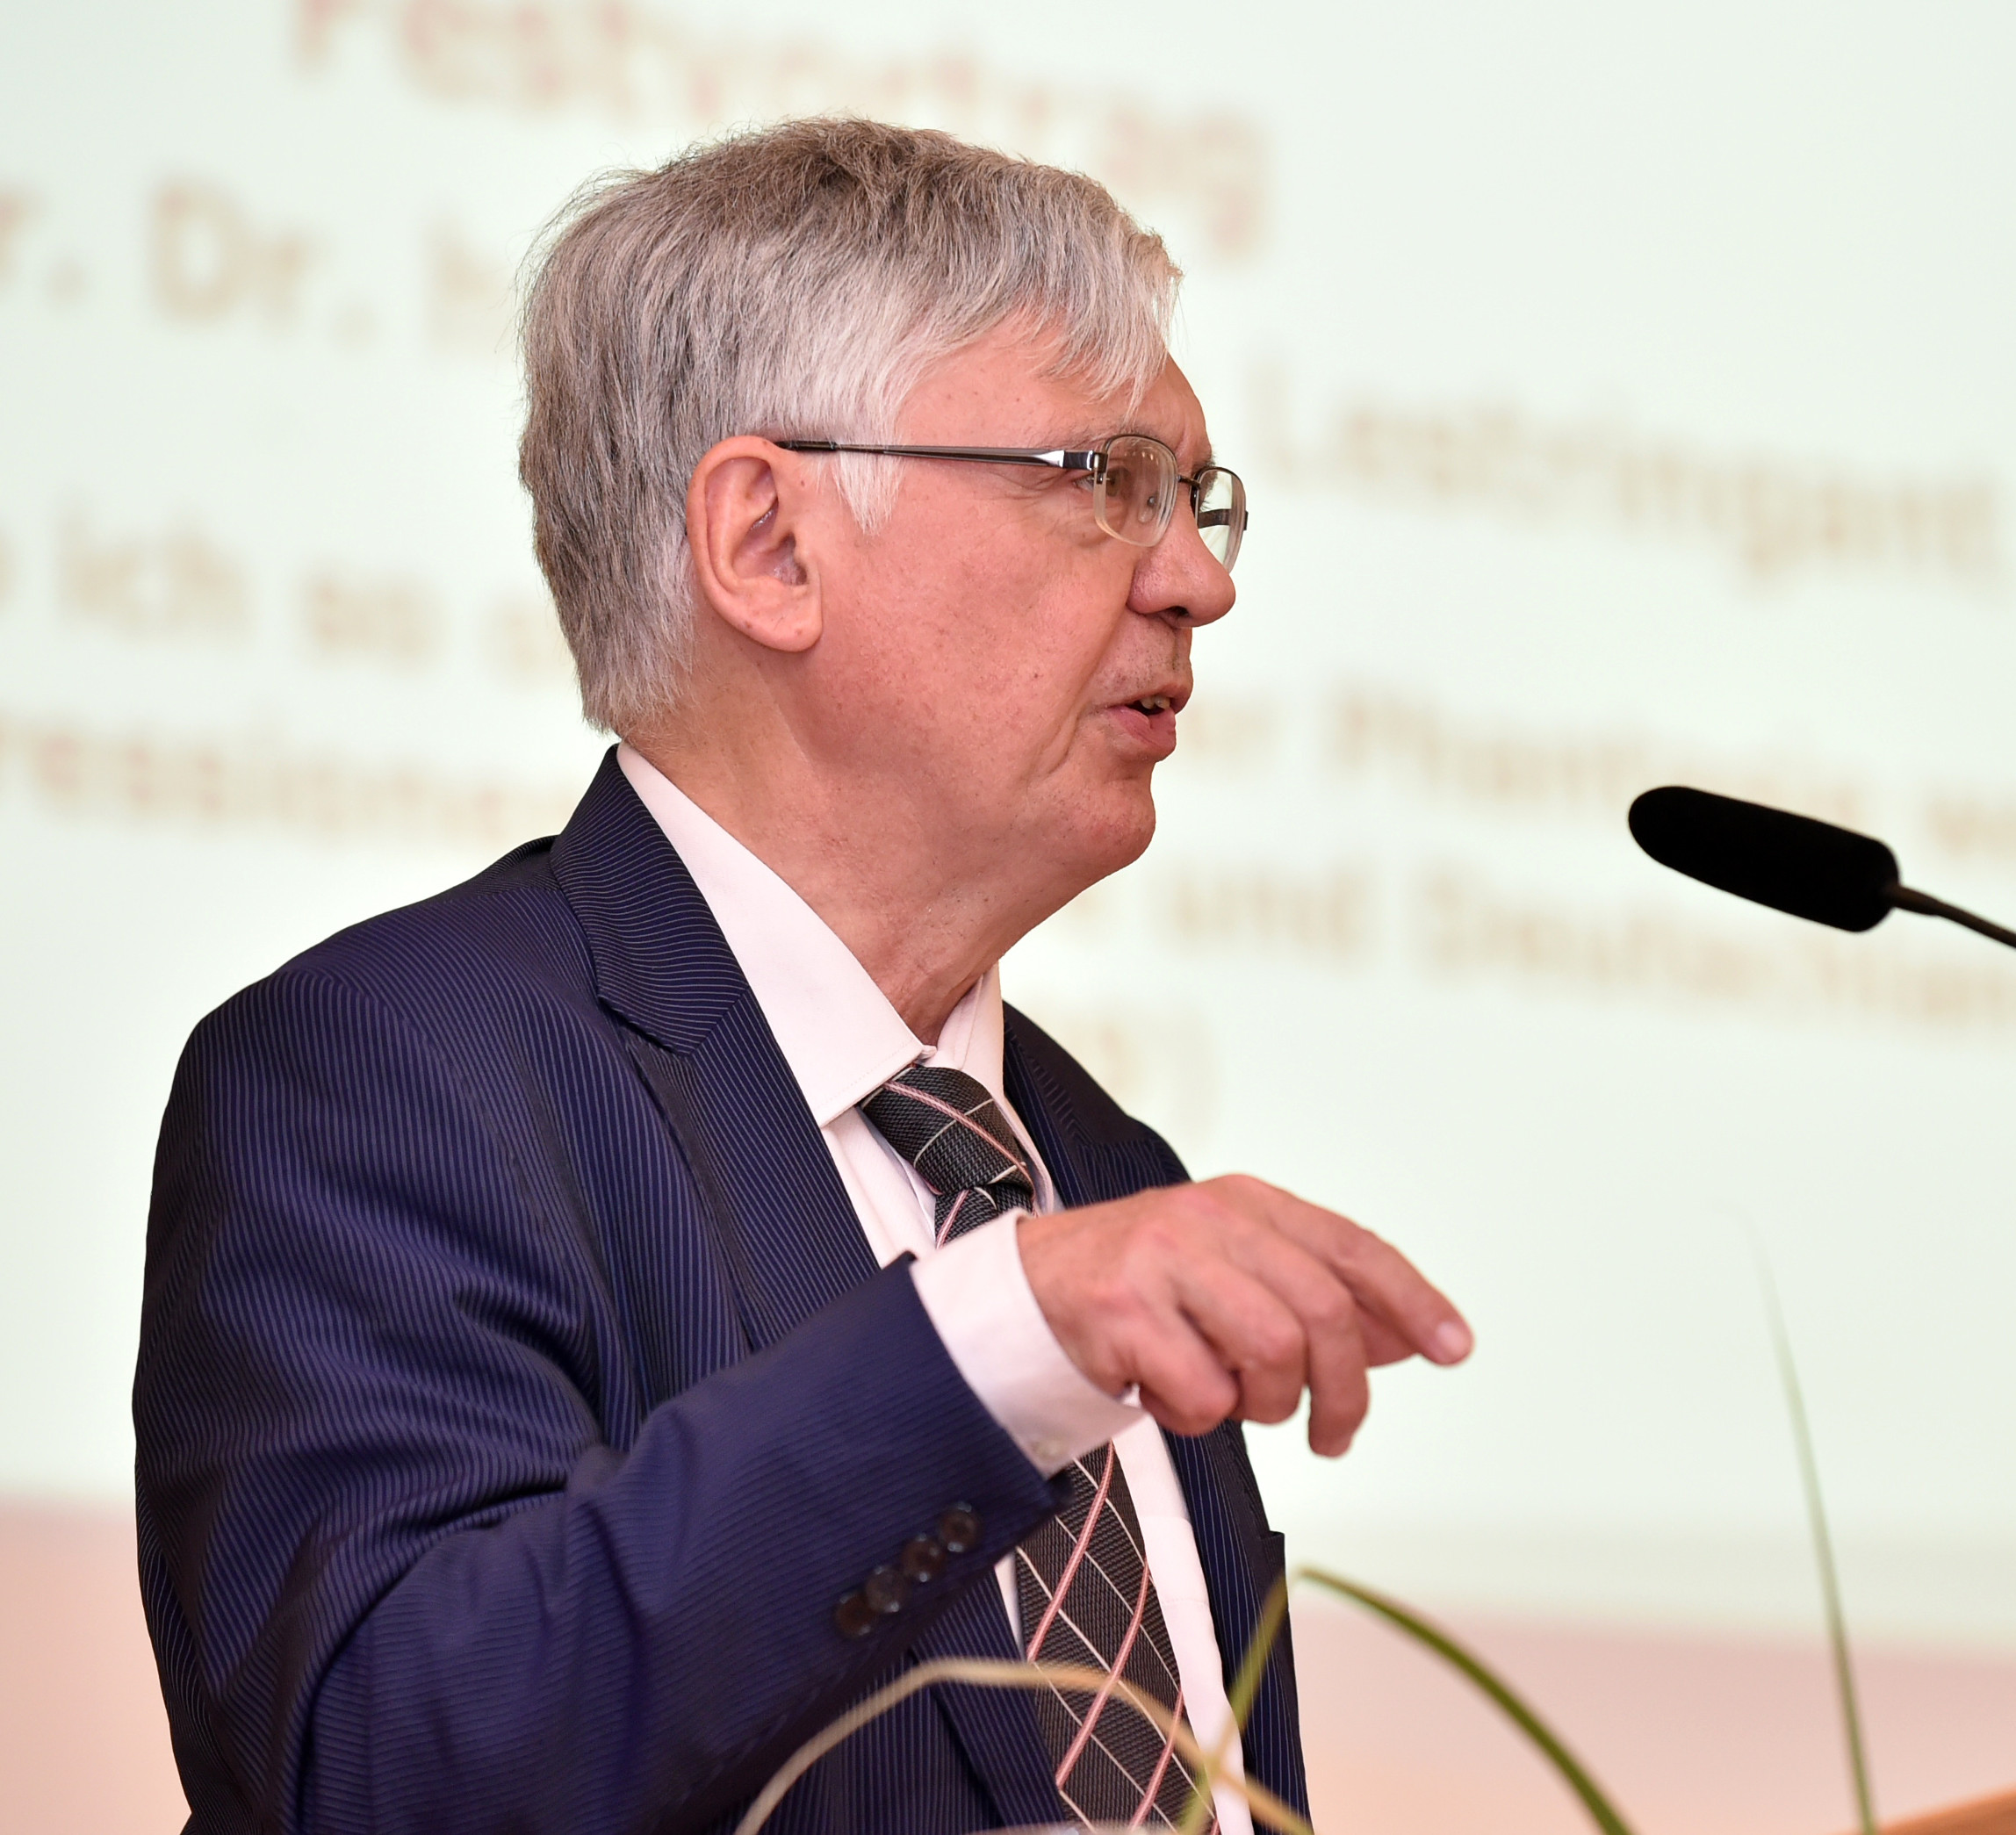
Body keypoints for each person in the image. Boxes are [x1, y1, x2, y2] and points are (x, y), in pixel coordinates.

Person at [132, 119, 1472, 1835]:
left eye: (1198, 501)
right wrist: (996, 1339)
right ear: (767, 543)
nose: (1198, 580)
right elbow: (387, 1760)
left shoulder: (1097, 1158)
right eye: (1108, 479)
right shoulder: (391, 1076)